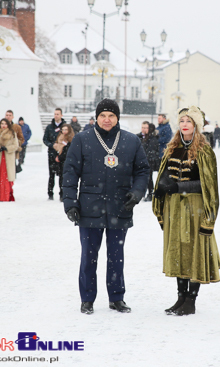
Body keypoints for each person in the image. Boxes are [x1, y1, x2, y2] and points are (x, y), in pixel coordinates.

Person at [63, 99, 150, 315]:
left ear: (118, 118)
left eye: (111, 115)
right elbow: (70, 172)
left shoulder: (131, 141)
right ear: (97, 117)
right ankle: (87, 298)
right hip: (89, 207)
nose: (107, 119)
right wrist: (70, 203)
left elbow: (142, 171)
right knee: (88, 256)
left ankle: (116, 297)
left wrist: (137, 193)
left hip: (120, 206)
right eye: (103, 115)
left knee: (116, 255)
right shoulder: (83, 140)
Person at [152, 105, 220, 316]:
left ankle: (191, 300)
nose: (184, 125)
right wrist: (161, 189)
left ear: (196, 125)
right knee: (178, 251)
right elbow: (165, 174)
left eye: (188, 121)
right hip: (175, 207)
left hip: (195, 206)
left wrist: (180, 187)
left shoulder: (204, 151)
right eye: (182, 121)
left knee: (194, 251)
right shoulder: (172, 147)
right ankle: (180, 297)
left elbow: (207, 185)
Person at [0, 119, 19, 202]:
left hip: (7, 157)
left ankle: (6, 195)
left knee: (7, 176)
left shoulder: (12, 133)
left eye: (5, 124)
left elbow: (15, 145)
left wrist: (7, 148)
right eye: (2, 124)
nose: (3, 125)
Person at [43, 108, 65, 200]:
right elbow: (45, 139)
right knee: (51, 175)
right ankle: (50, 193)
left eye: (58, 114)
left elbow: (70, 138)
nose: (56, 116)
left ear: (61, 115)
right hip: (52, 153)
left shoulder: (65, 126)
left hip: (62, 154)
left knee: (62, 175)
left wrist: (62, 146)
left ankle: (62, 194)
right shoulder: (49, 127)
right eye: (55, 114)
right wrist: (52, 145)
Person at [136, 121, 160, 202]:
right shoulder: (138, 137)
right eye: (142, 127)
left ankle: (150, 193)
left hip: (150, 161)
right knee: (141, 178)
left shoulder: (152, 138)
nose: (144, 129)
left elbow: (151, 151)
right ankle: (142, 193)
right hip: (140, 161)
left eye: (146, 128)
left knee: (149, 178)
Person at [53, 123, 75, 202]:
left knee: (67, 178)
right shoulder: (60, 137)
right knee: (61, 178)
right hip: (60, 161)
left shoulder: (71, 138)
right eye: (63, 129)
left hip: (67, 161)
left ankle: (67, 194)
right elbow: (57, 147)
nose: (64, 131)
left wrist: (60, 156)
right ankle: (61, 194)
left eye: (66, 129)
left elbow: (68, 150)